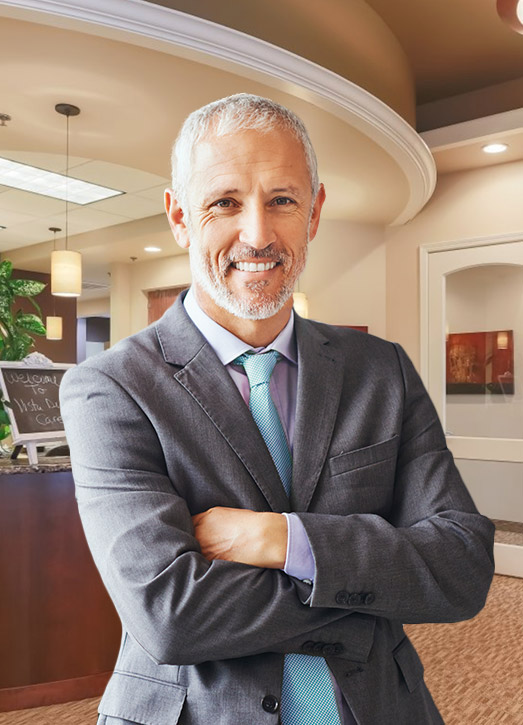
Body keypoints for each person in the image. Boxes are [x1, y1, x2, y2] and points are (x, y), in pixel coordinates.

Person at [60, 93, 495, 725]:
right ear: (180, 216)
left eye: (282, 200)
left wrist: (280, 538)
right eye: (225, 202)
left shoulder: (383, 370)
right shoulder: (111, 386)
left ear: (315, 212)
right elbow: (172, 616)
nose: (257, 234)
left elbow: (461, 566)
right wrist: (370, 593)